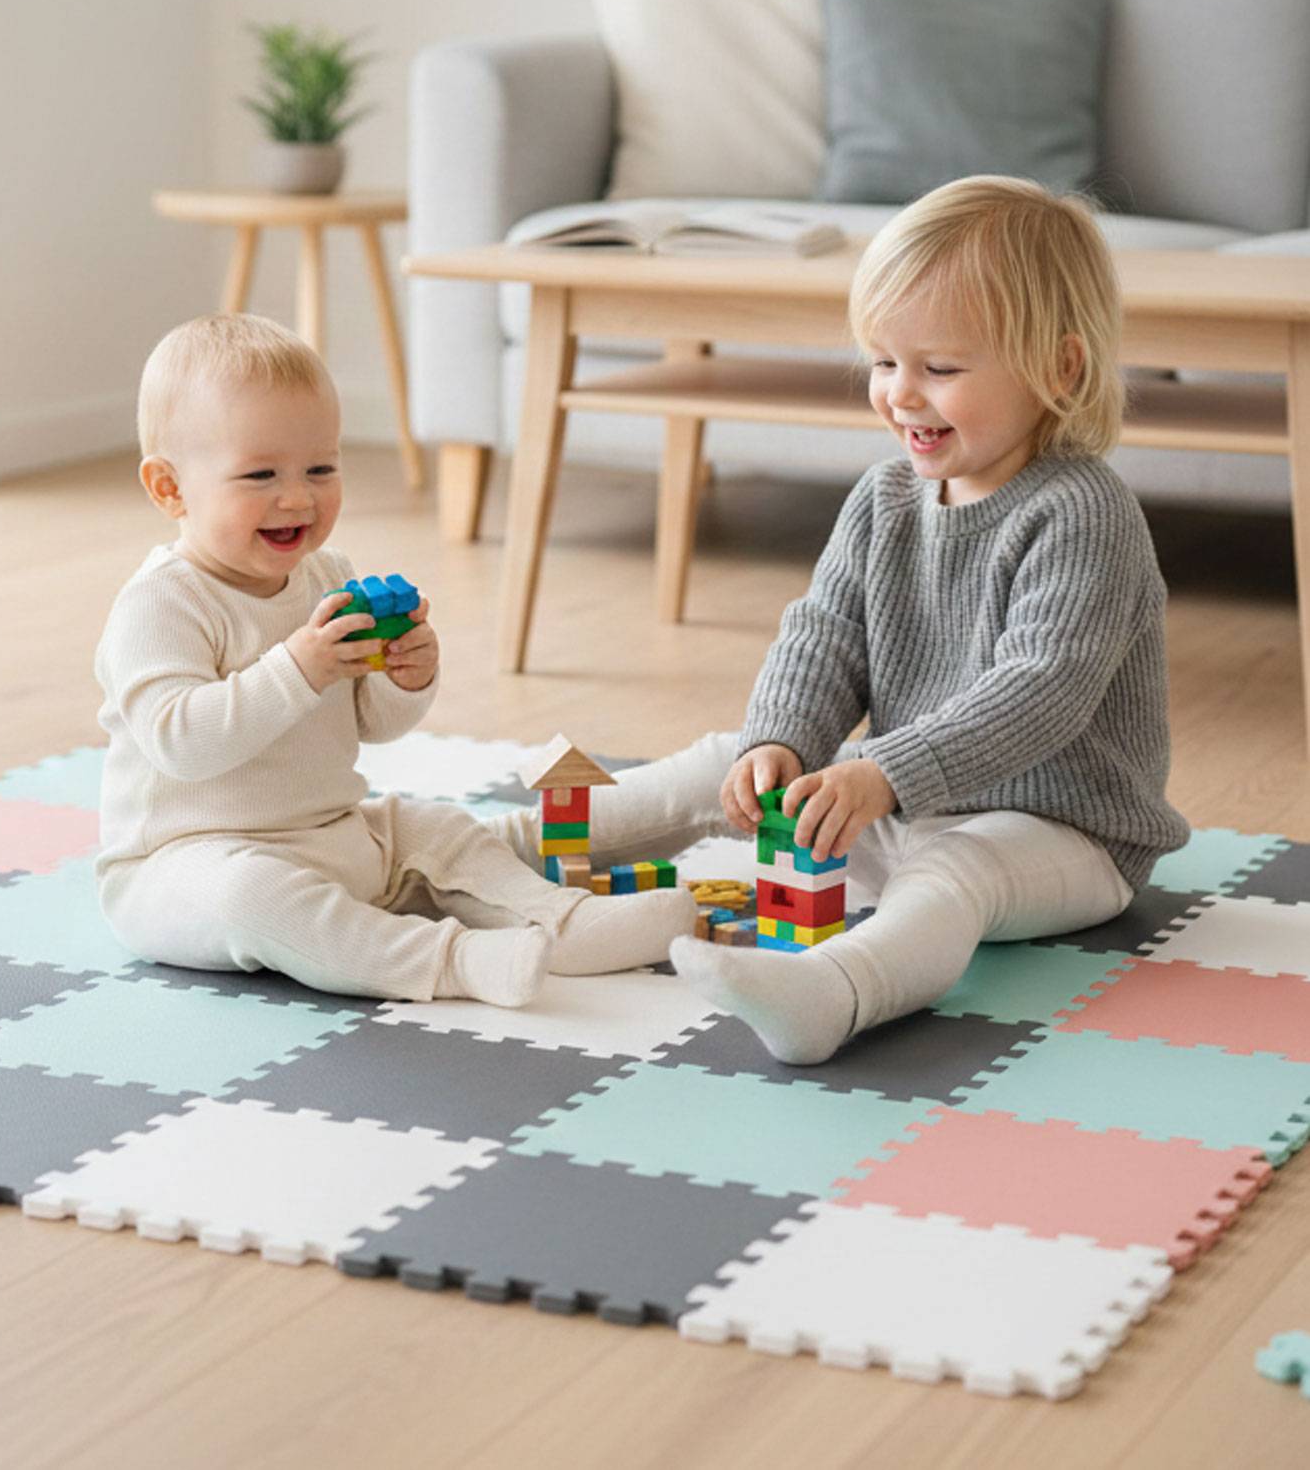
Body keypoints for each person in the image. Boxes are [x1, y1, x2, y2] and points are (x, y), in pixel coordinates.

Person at [489, 175, 1190, 1063]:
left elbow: (1040, 691)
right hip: (895, 800)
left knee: (956, 872)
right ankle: (501, 848)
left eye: (940, 368)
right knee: (725, 758)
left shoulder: (1083, 511)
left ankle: (838, 992)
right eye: (883, 362)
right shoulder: (884, 495)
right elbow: (825, 632)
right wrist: (779, 741)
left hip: (1064, 835)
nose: (901, 393)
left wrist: (885, 773)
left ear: (1060, 370)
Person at [94, 313, 695, 1007]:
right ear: (169, 489)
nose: (299, 496)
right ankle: (455, 962)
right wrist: (300, 667)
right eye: (260, 474)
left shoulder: (328, 577)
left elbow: (371, 724)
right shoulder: (160, 605)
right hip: (186, 867)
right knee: (255, 897)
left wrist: (408, 676)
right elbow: (182, 744)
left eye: (321, 467)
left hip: (332, 834)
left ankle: (562, 923)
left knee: (437, 828)